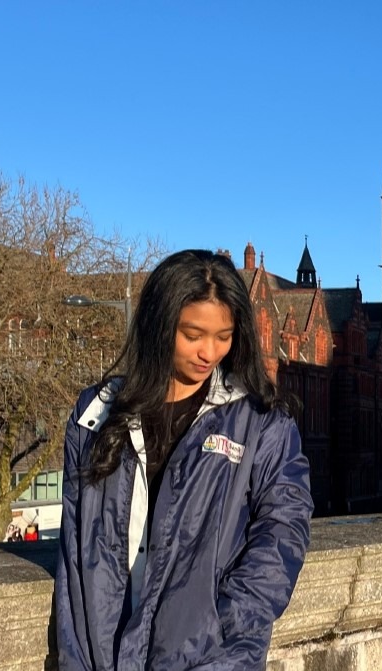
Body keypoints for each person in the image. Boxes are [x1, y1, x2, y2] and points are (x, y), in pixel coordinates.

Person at [55, 249, 313, 670]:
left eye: (223, 336)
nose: (208, 353)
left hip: (214, 659)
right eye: (193, 335)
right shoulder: (95, 413)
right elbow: (73, 553)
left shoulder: (261, 423)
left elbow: (285, 529)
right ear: (159, 324)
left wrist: (225, 622)